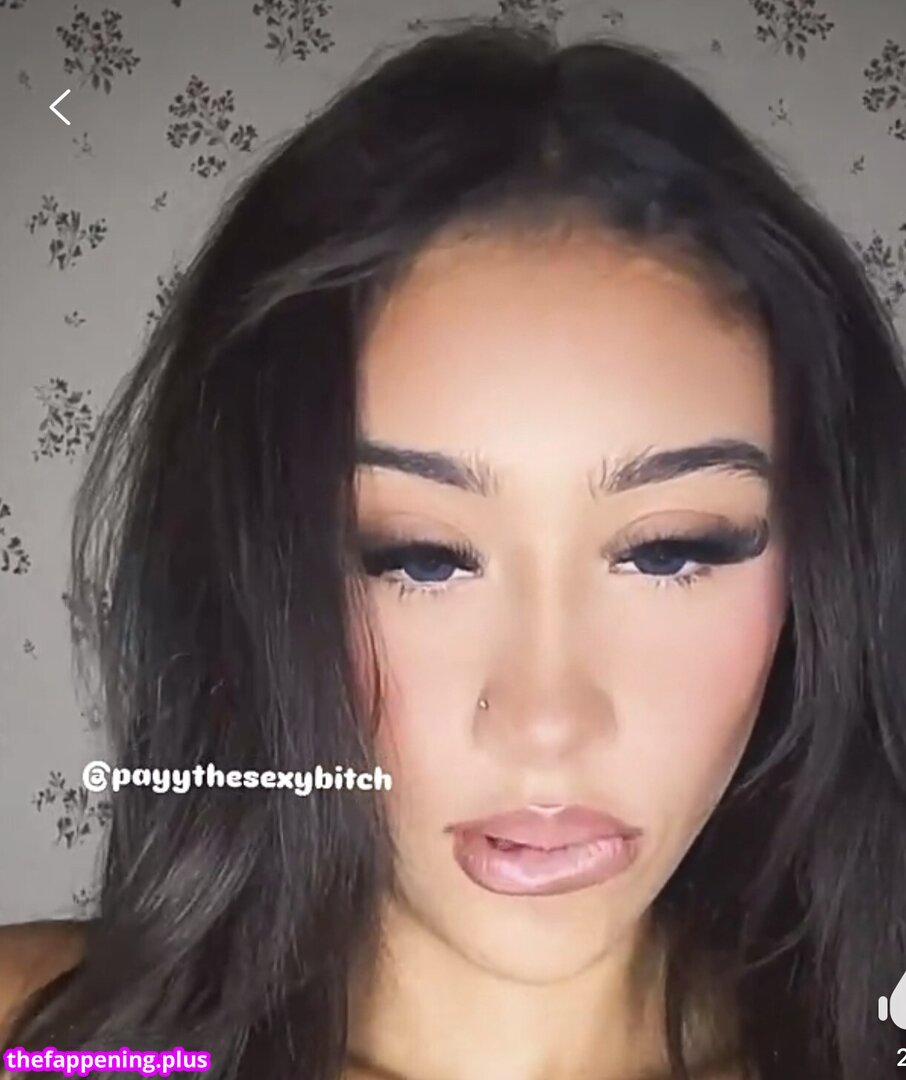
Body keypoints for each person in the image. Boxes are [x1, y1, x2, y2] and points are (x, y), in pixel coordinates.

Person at [2, 20, 905, 1080]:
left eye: (669, 551)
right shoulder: (49, 1047)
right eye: (421, 558)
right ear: (261, 576)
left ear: (819, 571)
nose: (547, 718)